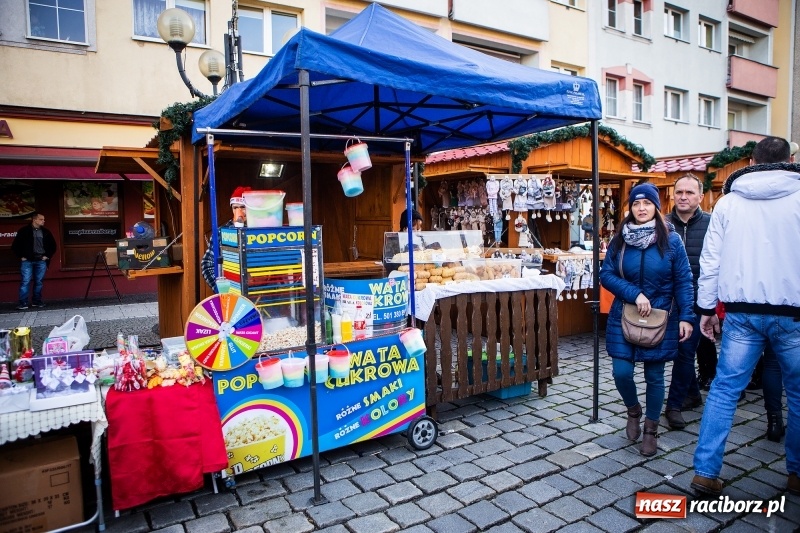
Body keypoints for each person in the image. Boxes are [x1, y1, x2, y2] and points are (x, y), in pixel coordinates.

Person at [691, 136, 800, 497]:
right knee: (798, 395)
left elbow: (710, 261)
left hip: (741, 313)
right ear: (789, 160)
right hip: (793, 314)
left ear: (751, 162)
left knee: (724, 390)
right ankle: (797, 474)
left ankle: (705, 473)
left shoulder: (728, 204)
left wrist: (706, 309)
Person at [599, 182, 694, 457]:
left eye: (647, 203)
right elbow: (606, 275)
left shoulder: (671, 240)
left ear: (656, 206)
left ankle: (651, 428)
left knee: (654, 375)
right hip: (624, 314)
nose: (641, 208)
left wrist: (687, 316)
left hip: (661, 316)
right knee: (621, 372)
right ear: (630, 207)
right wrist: (635, 293)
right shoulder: (620, 239)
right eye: (636, 203)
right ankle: (633, 410)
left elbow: (684, 281)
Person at [662, 174, 711, 429]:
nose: (683, 196)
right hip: (667, 301)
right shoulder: (662, 224)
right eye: (679, 191)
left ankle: (674, 405)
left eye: (689, 193)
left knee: (684, 351)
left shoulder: (712, 225)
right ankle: (692, 393)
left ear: (700, 197)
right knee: (680, 351)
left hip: (697, 300)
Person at [201, 187, 249, 293]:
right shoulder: (221, 232)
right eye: (235, 208)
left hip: (258, 293)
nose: (239, 211)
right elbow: (207, 264)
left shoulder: (259, 230)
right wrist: (222, 290)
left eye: (243, 207)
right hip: (232, 293)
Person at [11, 212, 57, 310]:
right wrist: (21, 256)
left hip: (41, 260)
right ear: (34, 219)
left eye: (44, 219)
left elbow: (53, 246)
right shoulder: (24, 231)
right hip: (27, 260)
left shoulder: (46, 232)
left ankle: (37, 301)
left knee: (39, 282)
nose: (43, 221)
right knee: (25, 281)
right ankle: (23, 303)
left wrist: (47, 256)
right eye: (41, 219)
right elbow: (15, 246)